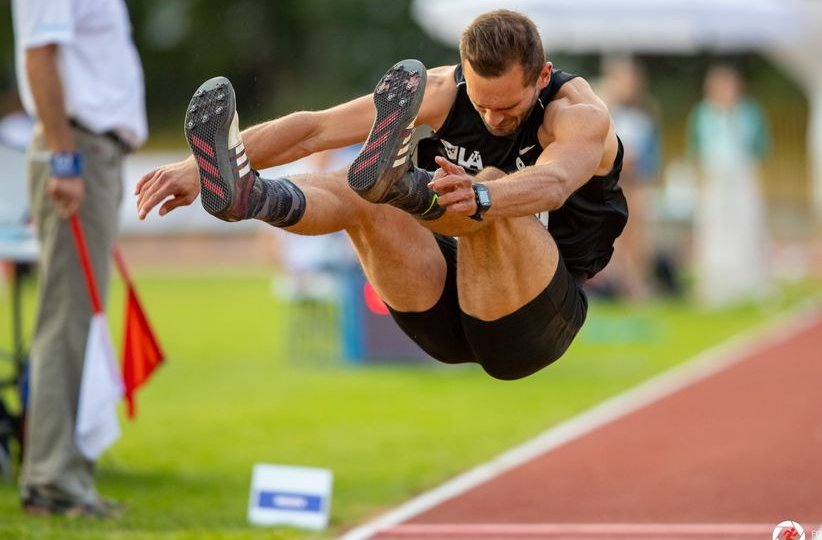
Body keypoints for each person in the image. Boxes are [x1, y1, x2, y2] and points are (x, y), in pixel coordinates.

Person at [136, 10, 627, 381]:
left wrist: (479, 194)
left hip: (533, 323)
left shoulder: (579, 114)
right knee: (358, 189)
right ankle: (253, 197)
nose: (494, 119)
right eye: (481, 105)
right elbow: (313, 130)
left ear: (542, 76)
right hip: (439, 306)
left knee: (492, 181)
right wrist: (193, 169)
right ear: (463, 74)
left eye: (509, 107)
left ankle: (407, 187)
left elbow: (556, 183)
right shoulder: (441, 89)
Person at [12, 0, 147, 517]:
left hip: (93, 149)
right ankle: (51, 478)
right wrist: (65, 158)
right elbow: (38, 55)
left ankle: (65, 471)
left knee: (78, 316)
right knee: (66, 316)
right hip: (77, 149)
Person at [687, 65, 772, 308]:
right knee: (713, 228)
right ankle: (716, 282)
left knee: (747, 226)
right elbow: (697, 150)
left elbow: (759, 148)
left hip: (742, 173)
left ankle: (751, 280)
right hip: (713, 174)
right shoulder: (702, 114)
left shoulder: (750, 113)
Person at [597, 56, 661, 300]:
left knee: (637, 232)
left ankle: (637, 281)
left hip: (636, 181)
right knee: (615, 233)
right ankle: (614, 281)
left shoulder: (645, 113)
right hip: (613, 180)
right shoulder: (604, 109)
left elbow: (651, 151)